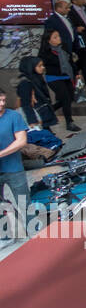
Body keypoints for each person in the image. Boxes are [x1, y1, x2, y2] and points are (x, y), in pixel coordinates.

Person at [0, 91, 31, 242]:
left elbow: (21, 141)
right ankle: (4, 233)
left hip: (13, 168)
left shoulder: (13, 116)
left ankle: (34, 229)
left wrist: (1, 154)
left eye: (3, 100)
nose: (2, 104)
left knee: (24, 200)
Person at [38, 30, 80, 132]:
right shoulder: (45, 52)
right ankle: (69, 122)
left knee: (69, 98)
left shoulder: (64, 47)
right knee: (65, 98)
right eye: (55, 37)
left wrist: (76, 73)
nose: (59, 39)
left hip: (67, 76)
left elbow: (70, 62)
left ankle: (47, 112)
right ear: (48, 41)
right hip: (54, 78)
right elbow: (45, 66)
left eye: (58, 36)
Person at [17, 57, 58, 131]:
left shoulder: (36, 78)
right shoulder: (25, 82)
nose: (43, 67)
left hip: (42, 114)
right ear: (31, 67)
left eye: (42, 65)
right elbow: (26, 104)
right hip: (36, 116)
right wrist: (32, 121)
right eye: (39, 66)